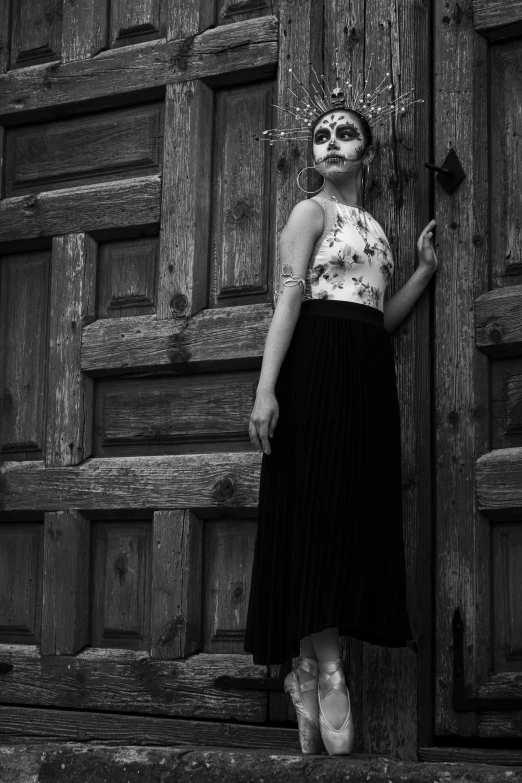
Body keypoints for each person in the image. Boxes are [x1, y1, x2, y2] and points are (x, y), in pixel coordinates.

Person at [244, 68, 437, 756]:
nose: (331, 142)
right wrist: (267, 388)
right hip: (315, 368)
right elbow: (291, 298)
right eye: (321, 135)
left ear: (368, 153)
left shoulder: (377, 227)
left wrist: (419, 271)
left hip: (364, 377)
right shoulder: (310, 213)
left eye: (345, 133)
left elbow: (377, 321)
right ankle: (326, 667)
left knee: (350, 512)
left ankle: (306, 666)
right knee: (316, 511)